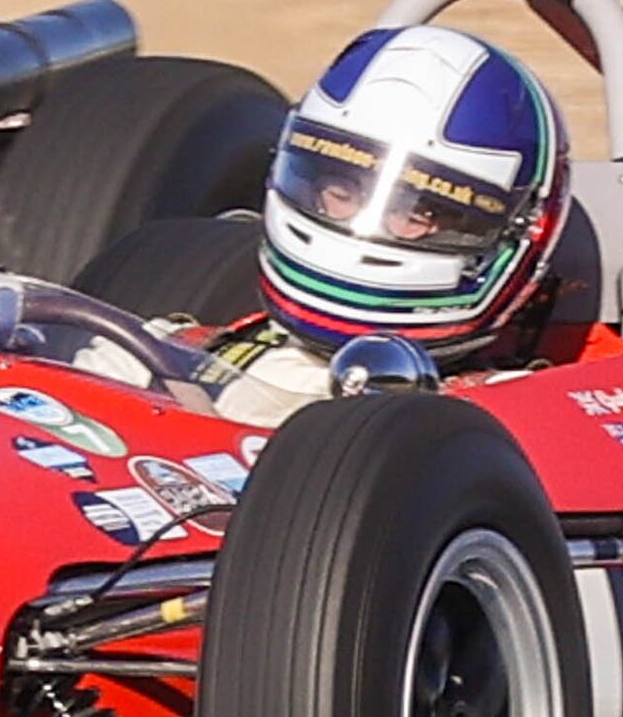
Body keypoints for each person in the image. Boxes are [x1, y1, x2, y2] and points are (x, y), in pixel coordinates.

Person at [198, 21, 590, 422]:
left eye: (416, 213)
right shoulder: (202, 353)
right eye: (340, 191)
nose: (364, 223)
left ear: (519, 231)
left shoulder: (528, 414)